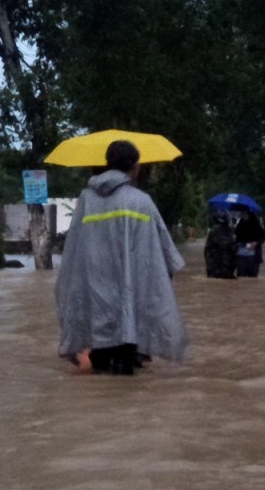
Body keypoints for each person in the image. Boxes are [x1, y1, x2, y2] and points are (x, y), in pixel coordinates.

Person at [55, 140, 188, 375]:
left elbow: (74, 250)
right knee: (125, 376)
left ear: (108, 163)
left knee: (101, 371)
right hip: (131, 301)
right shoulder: (141, 201)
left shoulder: (86, 200)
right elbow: (165, 251)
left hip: (96, 299)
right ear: (134, 167)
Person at [204, 207, 237, 279]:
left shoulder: (215, 230)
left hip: (221, 265)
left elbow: (207, 250)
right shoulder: (228, 231)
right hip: (221, 265)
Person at [233, 209, 265, 277]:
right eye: (242, 214)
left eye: (245, 214)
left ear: (249, 215)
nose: (243, 216)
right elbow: (236, 237)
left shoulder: (256, 225)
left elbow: (263, 237)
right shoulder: (240, 225)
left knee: (253, 277)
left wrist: (256, 243)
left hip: (254, 255)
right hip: (241, 254)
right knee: (241, 276)